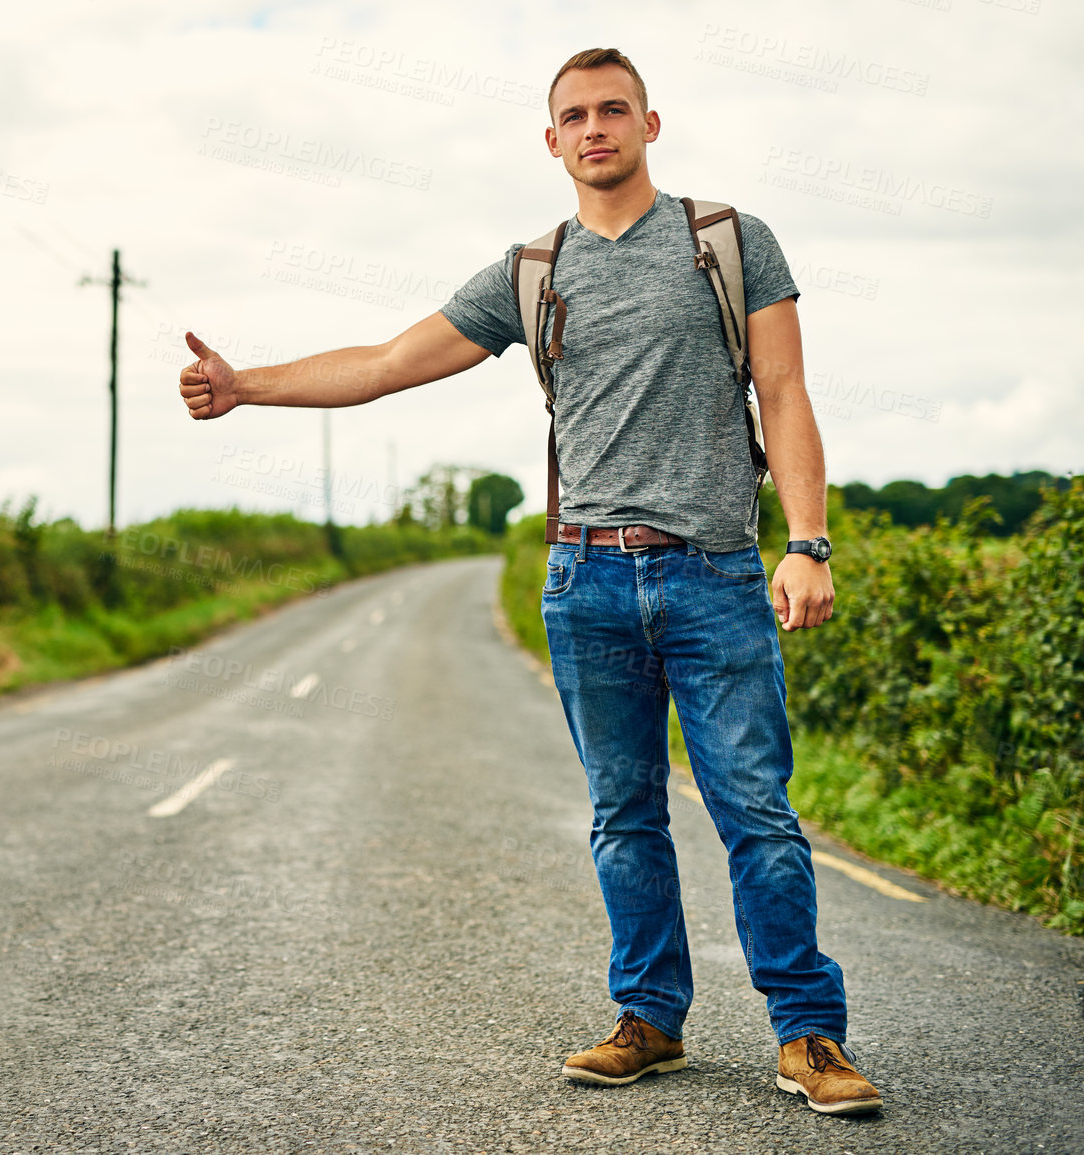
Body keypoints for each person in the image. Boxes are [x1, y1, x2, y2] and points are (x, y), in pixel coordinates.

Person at [175, 47, 882, 1117]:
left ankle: (809, 1036)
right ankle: (650, 1018)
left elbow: (782, 391)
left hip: (718, 577)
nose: (594, 127)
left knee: (757, 813)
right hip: (583, 581)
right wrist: (246, 386)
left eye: (613, 110)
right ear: (550, 141)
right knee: (622, 814)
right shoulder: (530, 272)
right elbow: (385, 362)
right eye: (573, 116)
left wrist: (808, 541)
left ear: (650, 124)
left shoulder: (728, 244)